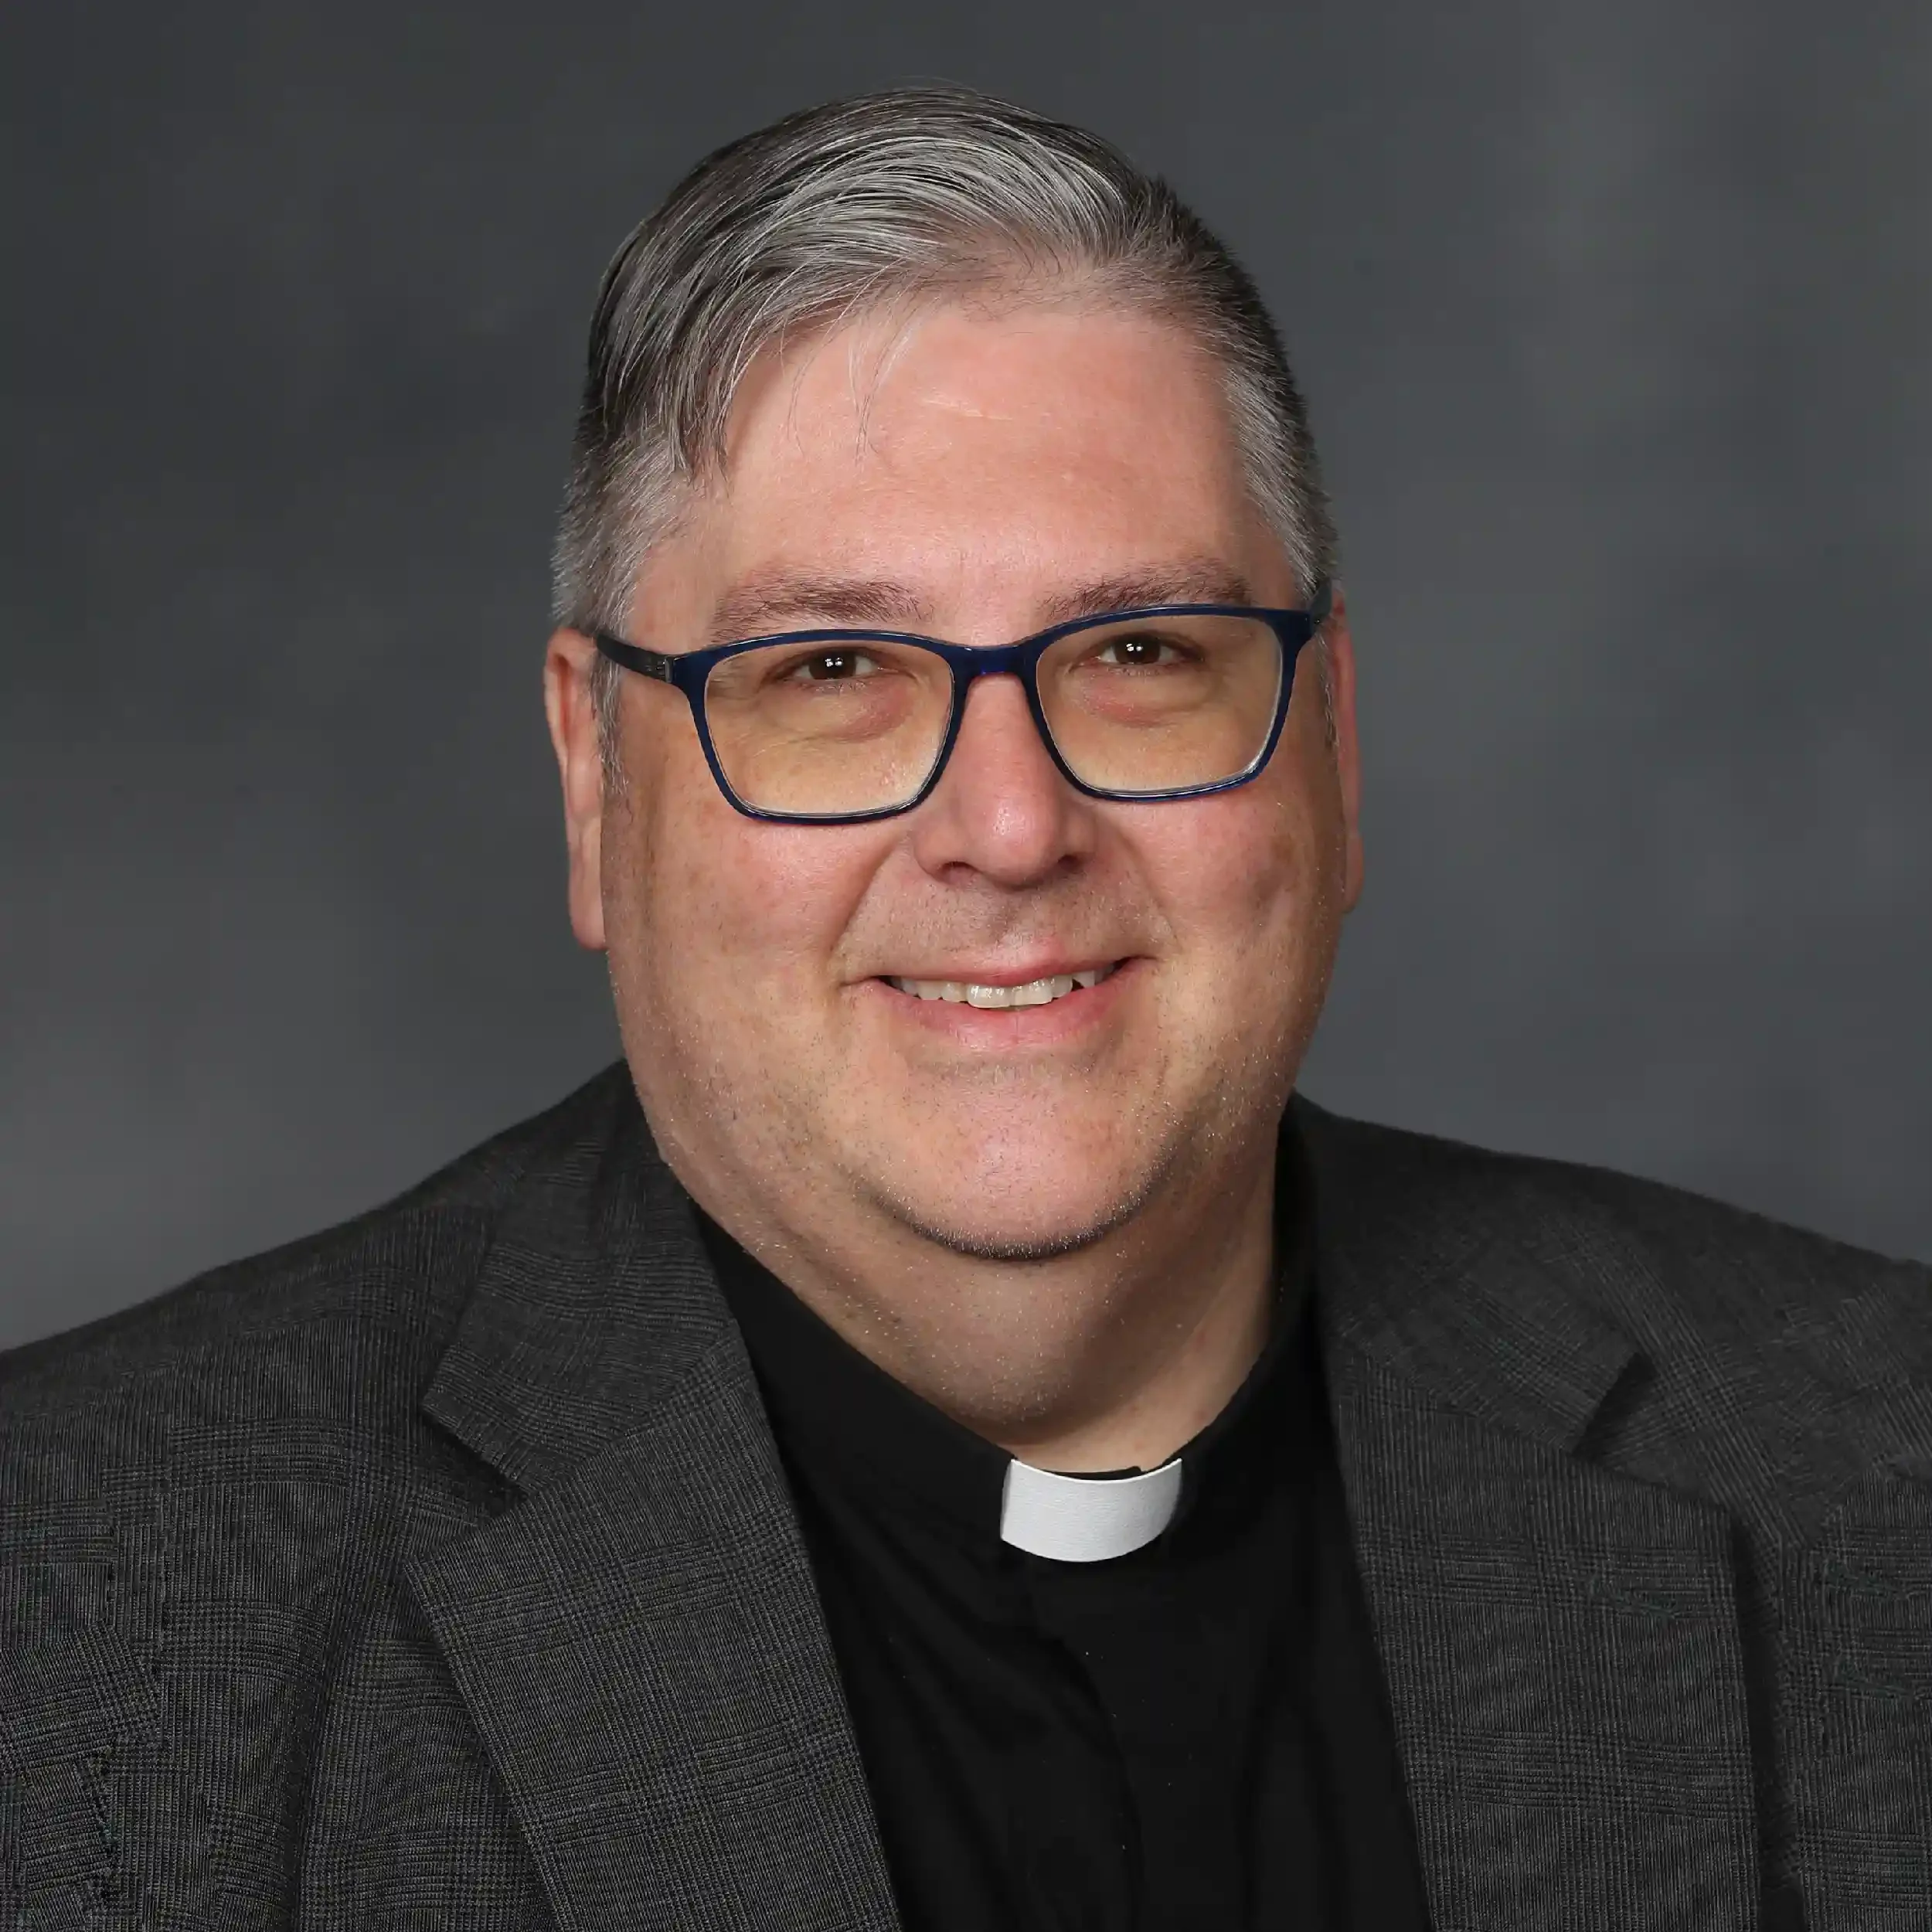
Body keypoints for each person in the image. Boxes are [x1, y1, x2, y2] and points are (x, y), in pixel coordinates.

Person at [1, 83, 1923, 1932]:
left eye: (1140, 653)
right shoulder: (82, 1609)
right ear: (597, 779)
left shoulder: (1874, 1471)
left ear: (1327, 744)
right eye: (827, 667)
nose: (1009, 825)